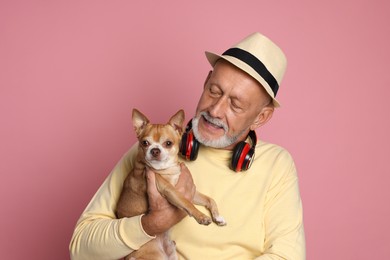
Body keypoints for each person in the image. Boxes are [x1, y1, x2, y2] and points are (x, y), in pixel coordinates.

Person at [69, 32, 306, 259]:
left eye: (235, 105)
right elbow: (81, 248)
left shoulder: (277, 165)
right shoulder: (152, 151)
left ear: (260, 117)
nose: (215, 110)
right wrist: (151, 223)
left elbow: (287, 256)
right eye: (214, 91)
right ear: (205, 82)